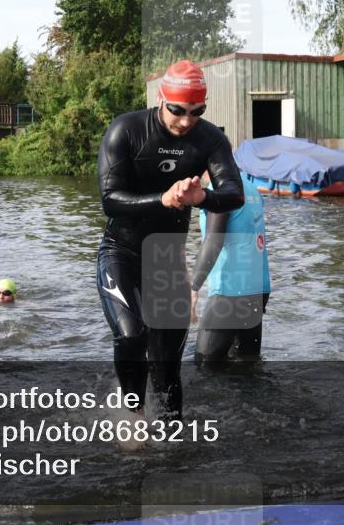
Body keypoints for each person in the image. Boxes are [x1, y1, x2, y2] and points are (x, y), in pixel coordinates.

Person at [96, 59, 244, 422]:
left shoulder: (210, 138)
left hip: (166, 256)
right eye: (178, 110)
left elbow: (234, 194)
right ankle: (132, 416)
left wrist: (202, 199)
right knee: (131, 336)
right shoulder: (126, 130)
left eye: (196, 111)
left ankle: (175, 445)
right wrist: (162, 199)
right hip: (122, 252)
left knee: (166, 367)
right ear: (161, 99)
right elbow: (109, 199)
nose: (186, 121)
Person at [190, 173, 271, 365]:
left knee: (204, 367)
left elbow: (213, 242)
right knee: (248, 367)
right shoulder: (250, 186)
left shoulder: (219, 189)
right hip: (259, 289)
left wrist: (193, 287)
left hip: (230, 293)